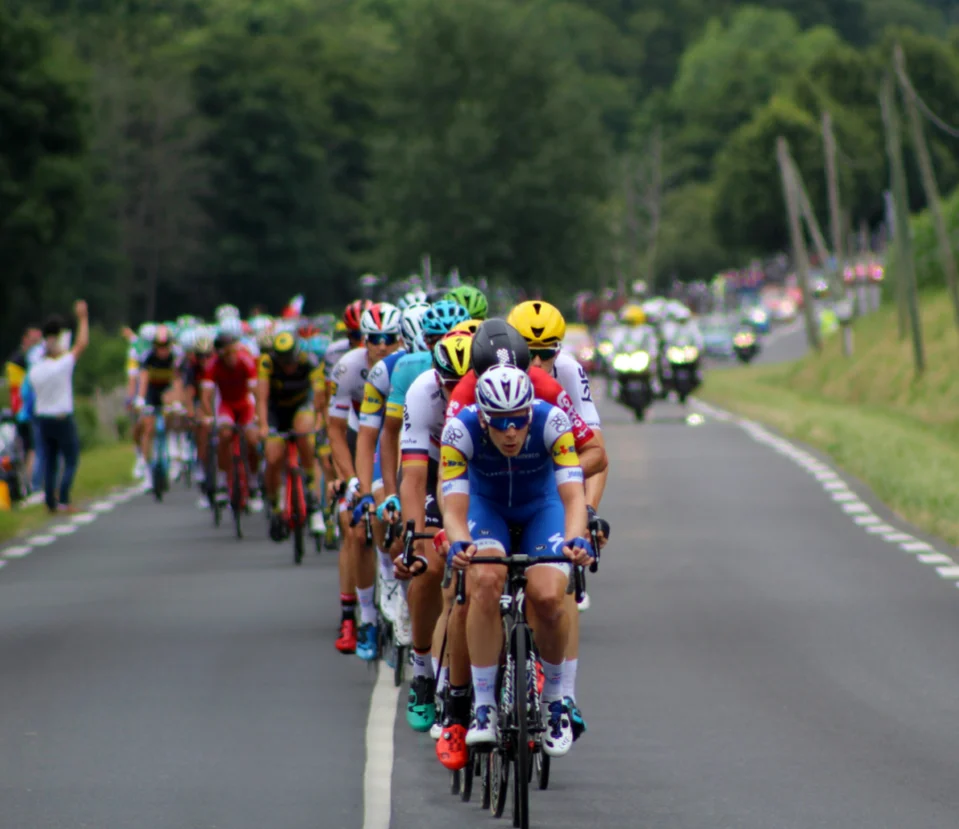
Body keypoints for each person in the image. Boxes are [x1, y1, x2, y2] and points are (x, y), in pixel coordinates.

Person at [441, 365, 594, 759]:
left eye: (518, 421)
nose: (511, 432)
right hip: (485, 506)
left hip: (541, 506)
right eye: (501, 423)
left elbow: (574, 497)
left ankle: (557, 698)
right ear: (484, 416)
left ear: (530, 411)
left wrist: (577, 538)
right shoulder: (460, 429)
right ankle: (484, 707)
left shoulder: (552, 420)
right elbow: (454, 509)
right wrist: (459, 543)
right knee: (486, 581)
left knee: (547, 597)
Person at [28, 301, 89, 514]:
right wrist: (83, 318)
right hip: (62, 416)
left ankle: (50, 501)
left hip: (43, 417)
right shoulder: (61, 366)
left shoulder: (35, 370)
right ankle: (63, 498)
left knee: (50, 460)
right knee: (71, 459)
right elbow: (81, 344)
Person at [5, 325, 43, 489]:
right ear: (25, 340)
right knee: (31, 449)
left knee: (31, 449)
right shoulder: (18, 361)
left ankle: (31, 483)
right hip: (24, 413)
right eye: (34, 341)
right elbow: (17, 392)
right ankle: (31, 485)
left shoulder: (31, 359)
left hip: (31, 410)